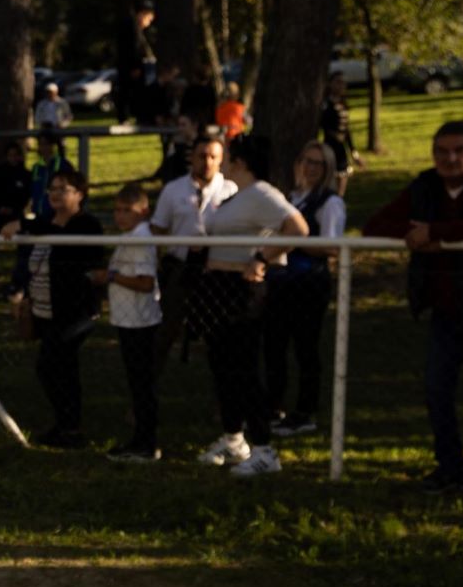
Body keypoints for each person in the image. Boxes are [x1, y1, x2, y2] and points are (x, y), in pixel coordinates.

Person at [361, 121, 463, 500]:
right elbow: (375, 225)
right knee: (436, 389)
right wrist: (416, 235)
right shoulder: (425, 185)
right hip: (445, 308)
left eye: (459, 150)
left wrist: (438, 233)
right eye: (442, 151)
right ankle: (449, 466)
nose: (450, 158)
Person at [194, 135, 307, 476]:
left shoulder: (262, 193)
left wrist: (261, 258)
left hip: (239, 291)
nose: (224, 162)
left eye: (228, 156)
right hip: (215, 289)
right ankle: (233, 440)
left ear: (240, 161)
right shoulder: (236, 196)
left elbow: (297, 227)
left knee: (244, 368)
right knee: (223, 367)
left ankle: (264, 449)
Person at [3, 166, 103, 447]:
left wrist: (25, 225)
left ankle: (70, 427)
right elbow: (32, 258)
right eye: (53, 189)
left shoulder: (86, 225)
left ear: (80, 194)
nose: (56, 194)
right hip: (46, 310)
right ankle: (66, 425)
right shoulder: (47, 224)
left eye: (63, 189)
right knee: (56, 367)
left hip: (75, 312)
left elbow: (82, 262)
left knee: (53, 364)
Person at [264, 141, 347, 437]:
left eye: (316, 163)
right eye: (305, 161)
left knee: (305, 348)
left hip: (308, 282)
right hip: (279, 281)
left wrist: (295, 240)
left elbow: (331, 247)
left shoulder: (329, 202)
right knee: (274, 346)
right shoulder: (291, 198)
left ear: (325, 170)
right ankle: (274, 406)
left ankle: (305, 411)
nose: (309, 168)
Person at [90, 180, 163, 460]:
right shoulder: (130, 236)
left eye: (127, 210)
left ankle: (145, 442)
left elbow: (145, 283)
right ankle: (141, 438)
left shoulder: (140, 240)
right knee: (138, 383)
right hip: (129, 319)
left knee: (143, 384)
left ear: (143, 210)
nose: (121, 216)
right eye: (117, 210)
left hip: (140, 322)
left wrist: (109, 277)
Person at [148, 128, 236, 359]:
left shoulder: (231, 191)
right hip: (180, 267)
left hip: (218, 271)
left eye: (213, 157)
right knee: (166, 328)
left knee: (221, 333)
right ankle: (148, 385)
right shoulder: (173, 190)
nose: (207, 162)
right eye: (201, 156)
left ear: (221, 159)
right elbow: (157, 229)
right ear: (192, 157)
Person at [0, 137, 34, 233]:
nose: (13, 158)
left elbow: (25, 196)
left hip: (16, 214)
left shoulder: (25, 174)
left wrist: (14, 209)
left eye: (15, 155)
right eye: (10, 155)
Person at [26, 129, 77, 220]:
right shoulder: (36, 168)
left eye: (46, 144)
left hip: (58, 216)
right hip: (39, 215)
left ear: (53, 145)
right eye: (41, 144)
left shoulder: (63, 165)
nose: (43, 147)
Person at [319, 74, 356, 176]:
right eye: (338, 82)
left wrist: (353, 151)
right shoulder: (326, 104)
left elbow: (346, 129)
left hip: (341, 149)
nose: (341, 86)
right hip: (330, 148)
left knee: (342, 177)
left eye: (343, 83)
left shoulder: (343, 104)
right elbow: (324, 124)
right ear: (330, 84)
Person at [33, 80, 74, 161]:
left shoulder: (62, 102)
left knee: (61, 146)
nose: (49, 94)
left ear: (56, 92)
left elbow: (68, 116)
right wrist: (41, 124)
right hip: (45, 128)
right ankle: (44, 160)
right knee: (44, 145)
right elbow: (37, 116)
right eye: (48, 92)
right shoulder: (42, 104)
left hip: (58, 128)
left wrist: (62, 124)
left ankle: (62, 160)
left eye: (51, 92)